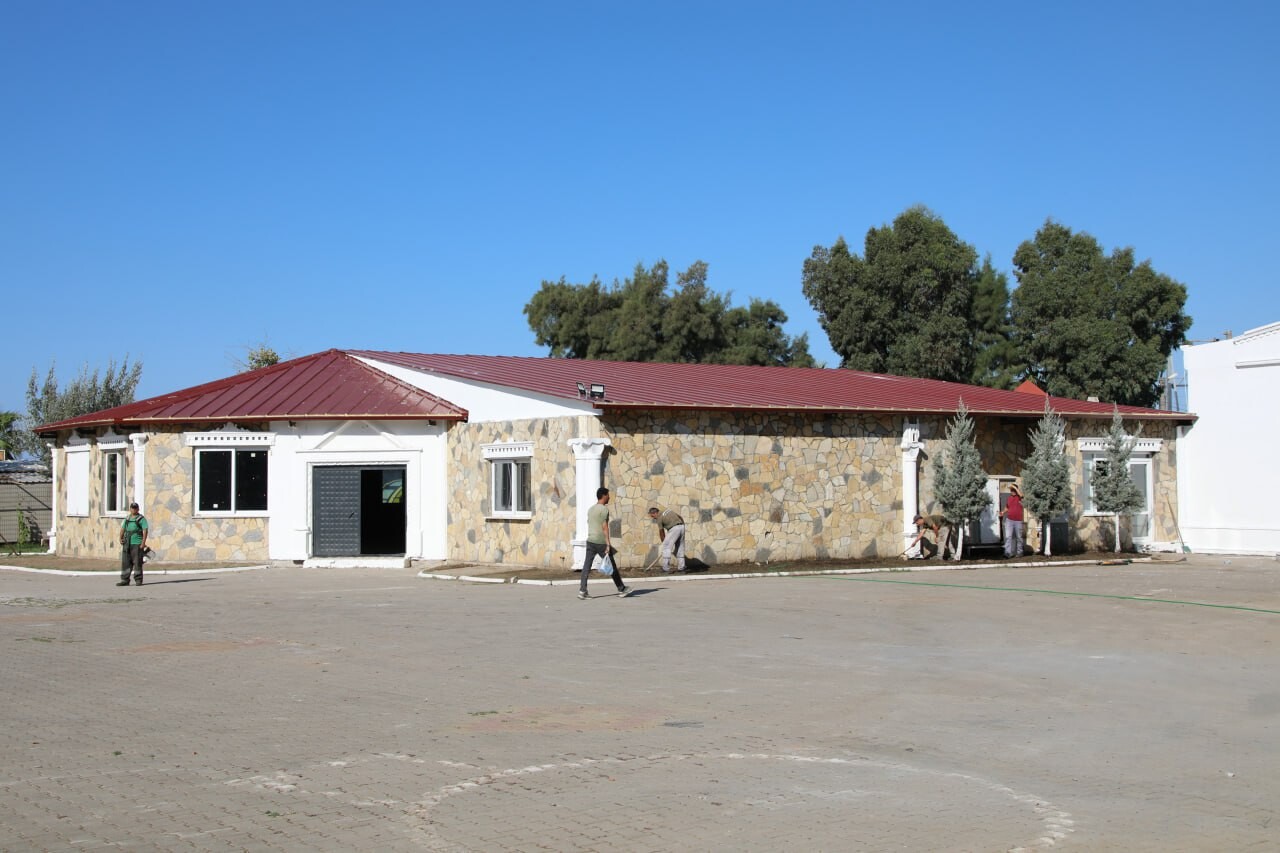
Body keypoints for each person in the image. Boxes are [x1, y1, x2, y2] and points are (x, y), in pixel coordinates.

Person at [579, 487, 633, 600]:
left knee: (586, 566)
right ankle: (622, 589)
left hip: (590, 541)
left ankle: (582, 591)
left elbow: (590, 523)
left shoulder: (591, 509)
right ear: (603, 496)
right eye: (608, 495)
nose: (609, 497)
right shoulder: (604, 510)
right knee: (611, 565)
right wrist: (608, 544)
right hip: (601, 543)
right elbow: (604, 527)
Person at [118, 502, 149, 586]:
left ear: (138, 509)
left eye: (135, 508)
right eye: (132, 508)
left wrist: (143, 543)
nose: (134, 510)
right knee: (126, 562)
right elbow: (123, 529)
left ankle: (138, 580)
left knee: (137, 562)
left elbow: (145, 531)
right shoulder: (127, 518)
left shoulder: (141, 519)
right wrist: (120, 538)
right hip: (127, 543)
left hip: (137, 543)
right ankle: (125, 580)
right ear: (130, 509)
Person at [647, 506, 686, 573]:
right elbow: (680, 517)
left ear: (655, 513)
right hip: (682, 527)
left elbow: (661, 532)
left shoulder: (659, 518)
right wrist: (682, 526)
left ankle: (665, 568)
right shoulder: (667, 511)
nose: (653, 518)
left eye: (652, 516)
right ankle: (682, 567)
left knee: (666, 547)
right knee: (680, 547)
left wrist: (664, 543)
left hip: (674, 529)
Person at [1000, 483, 1025, 559]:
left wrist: (1015, 488)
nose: (1012, 492)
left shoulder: (1019, 497)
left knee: (1019, 537)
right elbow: (1007, 507)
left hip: (1018, 521)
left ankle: (1020, 552)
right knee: (1008, 537)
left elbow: (1022, 495)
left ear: (1016, 490)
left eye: (1013, 490)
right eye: (1011, 490)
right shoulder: (1009, 498)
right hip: (1009, 520)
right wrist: (1003, 512)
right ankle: (1007, 553)